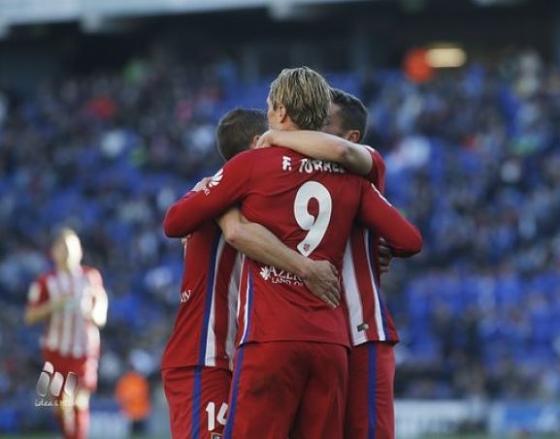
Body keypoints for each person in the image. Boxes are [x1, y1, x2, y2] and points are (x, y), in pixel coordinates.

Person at [163, 66, 422, 439]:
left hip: (270, 339)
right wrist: (378, 247)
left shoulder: (251, 168)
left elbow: (179, 223)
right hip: (332, 341)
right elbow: (409, 239)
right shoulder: (355, 178)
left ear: (281, 113)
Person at [161, 108, 341, 439]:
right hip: (208, 353)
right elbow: (174, 221)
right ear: (258, 142)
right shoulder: (223, 191)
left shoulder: (261, 196)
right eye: (275, 138)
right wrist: (306, 268)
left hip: (248, 357)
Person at [257, 88, 400, 438]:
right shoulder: (286, 177)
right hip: (314, 334)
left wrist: (275, 135)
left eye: (322, 125)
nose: (310, 133)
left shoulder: (365, 166)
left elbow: (341, 151)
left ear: (352, 136)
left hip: (361, 328)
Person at [25, 228, 108, 439]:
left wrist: (97, 314)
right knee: (62, 406)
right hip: (56, 352)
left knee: (79, 399)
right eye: (63, 248)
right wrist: (54, 305)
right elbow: (30, 316)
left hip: (84, 350)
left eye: (72, 247)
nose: (68, 252)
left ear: (80, 251)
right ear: (54, 252)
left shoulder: (91, 277)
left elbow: (101, 305)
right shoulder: (45, 282)